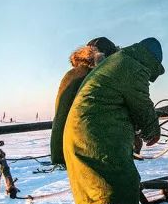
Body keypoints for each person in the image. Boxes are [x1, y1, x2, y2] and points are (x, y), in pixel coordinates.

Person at [63, 37, 164, 204]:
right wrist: (151, 130)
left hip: (92, 129)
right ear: (151, 61)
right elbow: (140, 102)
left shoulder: (122, 61)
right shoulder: (132, 66)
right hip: (95, 132)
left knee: (114, 181)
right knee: (114, 181)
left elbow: (119, 100)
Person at [51, 37, 119, 167]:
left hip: (71, 147)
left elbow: (60, 116)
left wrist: (58, 153)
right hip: (92, 148)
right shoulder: (97, 77)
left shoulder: (71, 75)